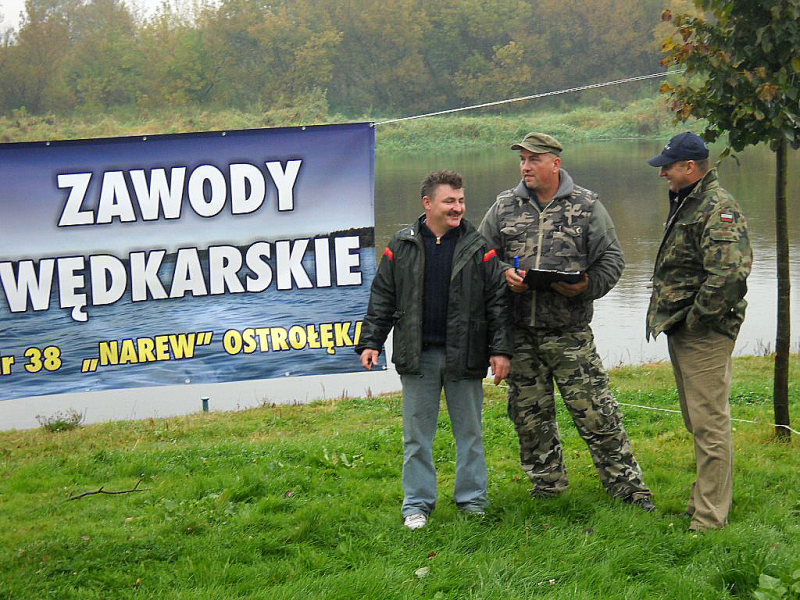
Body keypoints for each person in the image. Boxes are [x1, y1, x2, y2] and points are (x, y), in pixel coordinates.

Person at [478, 132, 654, 509]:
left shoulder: (587, 205)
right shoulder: (504, 206)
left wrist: (586, 286)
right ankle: (548, 487)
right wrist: (504, 274)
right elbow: (481, 255)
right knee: (529, 417)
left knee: (597, 413)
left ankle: (628, 488)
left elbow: (612, 261)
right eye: (522, 160)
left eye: (533, 159)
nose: (525, 167)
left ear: (555, 163)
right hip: (520, 335)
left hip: (570, 334)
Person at [356, 170, 512, 530]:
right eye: (449, 201)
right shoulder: (400, 246)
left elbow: (498, 304)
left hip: (466, 356)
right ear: (428, 203)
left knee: (471, 435)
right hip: (418, 357)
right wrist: (371, 341)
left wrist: (501, 350)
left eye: (461, 200)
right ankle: (417, 504)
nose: (458, 207)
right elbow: (383, 297)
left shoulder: (480, 248)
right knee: (417, 438)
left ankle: (472, 500)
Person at [646, 131, 752, 531]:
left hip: (704, 330)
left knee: (710, 424)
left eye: (668, 168)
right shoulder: (689, 201)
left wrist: (697, 319)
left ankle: (710, 517)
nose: (663, 175)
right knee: (698, 420)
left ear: (690, 167)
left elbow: (729, 273)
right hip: (683, 325)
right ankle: (703, 502)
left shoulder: (717, 206)